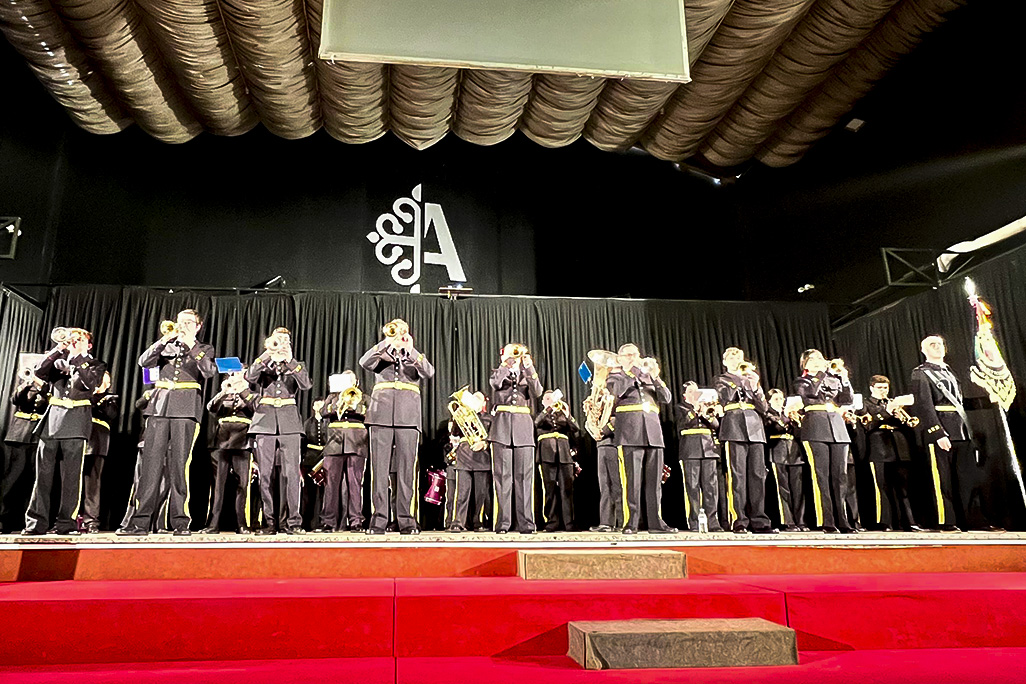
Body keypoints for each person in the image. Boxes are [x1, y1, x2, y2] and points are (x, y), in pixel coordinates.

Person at [120, 310, 216, 536]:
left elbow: (209, 371)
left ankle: (180, 522)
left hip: (186, 411)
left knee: (179, 467)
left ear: (198, 326)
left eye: (189, 322)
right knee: (150, 467)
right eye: (181, 322)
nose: (183, 325)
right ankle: (140, 522)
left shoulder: (204, 349)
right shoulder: (166, 345)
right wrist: (164, 340)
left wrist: (191, 344)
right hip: (158, 409)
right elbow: (144, 362)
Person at [912, 335, 999, 532]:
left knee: (968, 478)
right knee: (942, 479)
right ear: (923, 350)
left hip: (961, 430)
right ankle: (946, 520)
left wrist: (988, 401)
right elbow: (924, 405)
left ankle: (973, 519)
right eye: (932, 345)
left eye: (940, 344)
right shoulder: (920, 373)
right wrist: (938, 433)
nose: (938, 347)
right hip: (941, 431)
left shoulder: (949, 371)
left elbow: (958, 403)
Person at [24, 328, 106, 535]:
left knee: (71, 478)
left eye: (80, 340)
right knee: (42, 477)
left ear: (89, 345)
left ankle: (66, 523)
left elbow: (90, 384)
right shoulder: (58, 361)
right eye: (73, 339)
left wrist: (77, 358)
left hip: (77, 424)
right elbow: (38, 371)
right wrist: (58, 349)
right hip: (52, 423)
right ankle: (36, 523)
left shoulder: (96, 365)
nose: (74, 342)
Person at [360, 319, 434, 535]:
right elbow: (364, 362)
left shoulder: (414, 357)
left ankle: (406, 520)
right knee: (379, 471)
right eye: (395, 331)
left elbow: (429, 372)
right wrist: (387, 342)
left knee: (406, 471)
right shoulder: (381, 355)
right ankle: (378, 520)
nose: (398, 334)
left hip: (408, 418)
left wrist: (411, 349)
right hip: (380, 416)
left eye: (402, 331)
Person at [247, 327, 312, 535]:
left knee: (292, 474)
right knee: (265, 475)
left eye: (285, 340)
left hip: (289, 424)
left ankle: (293, 522)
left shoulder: (296, 365)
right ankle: (269, 522)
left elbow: (306, 384)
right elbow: (250, 377)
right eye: (278, 339)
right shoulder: (264, 362)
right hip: (264, 423)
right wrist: (268, 353)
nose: (281, 343)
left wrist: (290, 360)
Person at [607, 344, 676, 535]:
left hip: (653, 432)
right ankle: (631, 522)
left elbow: (666, 398)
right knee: (632, 480)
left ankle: (655, 522)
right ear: (620, 358)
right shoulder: (615, 376)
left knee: (654, 481)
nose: (632, 358)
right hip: (630, 432)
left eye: (634, 355)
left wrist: (655, 376)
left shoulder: (648, 376)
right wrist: (633, 371)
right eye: (627, 355)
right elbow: (617, 392)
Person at [794, 349, 857, 534]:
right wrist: (823, 373)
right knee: (821, 476)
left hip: (837, 428)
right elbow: (811, 393)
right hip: (815, 428)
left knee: (840, 476)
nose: (817, 362)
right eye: (812, 360)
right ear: (804, 364)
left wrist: (844, 379)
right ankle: (827, 520)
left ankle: (843, 520)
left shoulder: (833, 379)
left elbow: (846, 399)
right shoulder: (802, 381)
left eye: (820, 359)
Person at [716, 347, 775, 534]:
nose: (736, 361)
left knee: (757, 475)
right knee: (737, 475)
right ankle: (738, 520)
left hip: (755, 429)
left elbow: (763, 408)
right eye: (732, 358)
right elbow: (726, 397)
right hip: (734, 428)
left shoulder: (751, 380)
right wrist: (742, 381)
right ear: (725, 362)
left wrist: (755, 386)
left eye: (739, 357)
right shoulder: (722, 379)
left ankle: (759, 520)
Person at [489, 344, 543, 534]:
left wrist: (529, 366)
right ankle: (503, 523)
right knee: (503, 478)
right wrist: (506, 364)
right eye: (511, 352)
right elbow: (495, 384)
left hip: (523, 430)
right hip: (502, 429)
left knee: (524, 478)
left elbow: (538, 392)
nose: (515, 356)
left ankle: (527, 523)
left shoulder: (527, 374)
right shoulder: (499, 372)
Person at [858, 375, 922, 532]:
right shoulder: (865, 404)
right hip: (878, 448)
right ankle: (884, 522)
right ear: (871, 388)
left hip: (899, 447)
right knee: (882, 487)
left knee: (903, 487)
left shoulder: (893, 402)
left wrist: (902, 418)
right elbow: (868, 425)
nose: (883, 391)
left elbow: (908, 425)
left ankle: (909, 522)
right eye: (879, 388)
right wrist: (886, 412)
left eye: (885, 388)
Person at [201, 370, 258, 534]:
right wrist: (223, 392)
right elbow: (211, 408)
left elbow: (255, 409)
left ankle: (242, 524)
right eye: (233, 375)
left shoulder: (250, 395)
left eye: (239, 374)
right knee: (218, 486)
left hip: (243, 442)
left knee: (242, 485)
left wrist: (242, 390)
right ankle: (213, 524)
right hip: (222, 441)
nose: (235, 377)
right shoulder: (225, 394)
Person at [315, 371, 369, 533]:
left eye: (350, 380)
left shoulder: (363, 397)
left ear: (356, 382)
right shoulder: (332, 397)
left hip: (356, 443)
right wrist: (338, 402)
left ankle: (356, 521)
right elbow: (323, 412)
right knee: (330, 484)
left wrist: (354, 405)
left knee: (355, 484)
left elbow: (369, 413)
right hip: (334, 444)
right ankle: (328, 521)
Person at [1, 372, 48, 533]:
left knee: (34, 483)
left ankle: (29, 523)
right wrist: (28, 383)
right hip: (19, 436)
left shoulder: (49, 386)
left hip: (39, 437)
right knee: (11, 480)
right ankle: (3, 520)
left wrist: (41, 385)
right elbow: (15, 399)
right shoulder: (24, 383)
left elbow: (50, 401)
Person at [674, 382, 724, 532]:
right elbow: (683, 424)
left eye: (696, 391)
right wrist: (694, 410)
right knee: (692, 487)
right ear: (685, 395)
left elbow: (716, 425)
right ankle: (694, 522)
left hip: (709, 450)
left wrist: (705, 413)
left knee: (711, 487)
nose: (694, 394)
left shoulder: (706, 407)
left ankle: (713, 522)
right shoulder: (681, 408)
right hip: (690, 450)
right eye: (691, 391)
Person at [444, 391, 492, 532]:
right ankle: (458, 522)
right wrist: (457, 416)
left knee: (480, 494)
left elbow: (493, 436)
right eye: (473, 398)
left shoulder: (490, 418)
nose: (475, 401)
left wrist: (484, 443)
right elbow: (454, 433)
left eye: (478, 399)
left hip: (482, 457)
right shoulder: (462, 416)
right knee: (461, 492)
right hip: (464, 454)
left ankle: (478, 522)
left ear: (484, 403)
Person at [535, 390, 581, 532]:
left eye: (553, 399)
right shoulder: (541, 414)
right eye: (548, 399)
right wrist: (547, 409)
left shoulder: (562, 414)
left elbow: (576, 428)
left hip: (564, 453)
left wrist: (567, 414)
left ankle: (569, 523)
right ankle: (551, 522)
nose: (552, 401)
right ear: (543, 401)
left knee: (567, 488)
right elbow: (536, 423)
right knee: (549, 489)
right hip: (546, 453)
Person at [80, 372, 118, 533]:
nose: (100, 383)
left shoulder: (110, 399)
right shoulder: (82, 394)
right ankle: (65, 518)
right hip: (78, 437)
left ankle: (91, 520)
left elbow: (110, 414)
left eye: (104, 381)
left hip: (96, 442)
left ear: (108, 384)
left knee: (92, 484)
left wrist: (96, 398)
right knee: (70, 481)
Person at [764, 389, 805, 532]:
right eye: (776, 399)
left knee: (798, 490)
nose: (780, 401)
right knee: (783, 489)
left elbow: (799, 435)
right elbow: (775, 428)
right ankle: (787, 521)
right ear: (769, 401)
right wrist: (786, 418)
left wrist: (797, 422)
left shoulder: (789, 414)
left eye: (781, 398)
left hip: (794, 453)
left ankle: (801, 521)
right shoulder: (768, 414)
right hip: (777, 452)